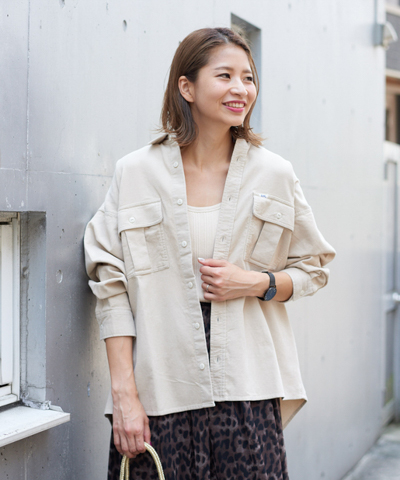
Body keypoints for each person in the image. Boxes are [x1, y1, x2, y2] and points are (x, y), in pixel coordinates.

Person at [84, 27, 335, 480]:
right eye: (225, 76)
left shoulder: (275, 174)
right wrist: (124, 395)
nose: (241, 89)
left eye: (248, 77)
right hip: (159, 389)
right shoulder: (135, 173)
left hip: (246, 390)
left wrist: (254, 283)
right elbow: (110, 285)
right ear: (187, 87)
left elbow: (314, 268)